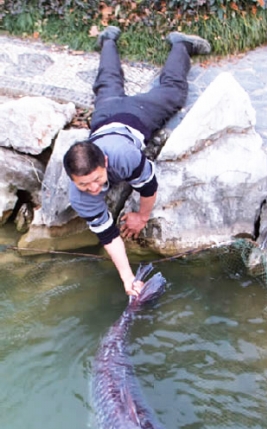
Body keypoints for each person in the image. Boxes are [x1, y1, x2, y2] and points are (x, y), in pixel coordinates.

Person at [63, 27, 211, 296]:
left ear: (105, 162)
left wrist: (142, 217)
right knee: (107, 84)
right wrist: (127, 278)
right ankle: (108, 38)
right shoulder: (79, 196)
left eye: (96, 180)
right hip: (104, 115)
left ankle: (181, 44)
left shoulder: (125, 157)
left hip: (138, 116)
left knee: (173, 91)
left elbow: (149, 186)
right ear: (73, 180)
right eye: (84, 185)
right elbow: (107, 234)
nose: (94, 189)